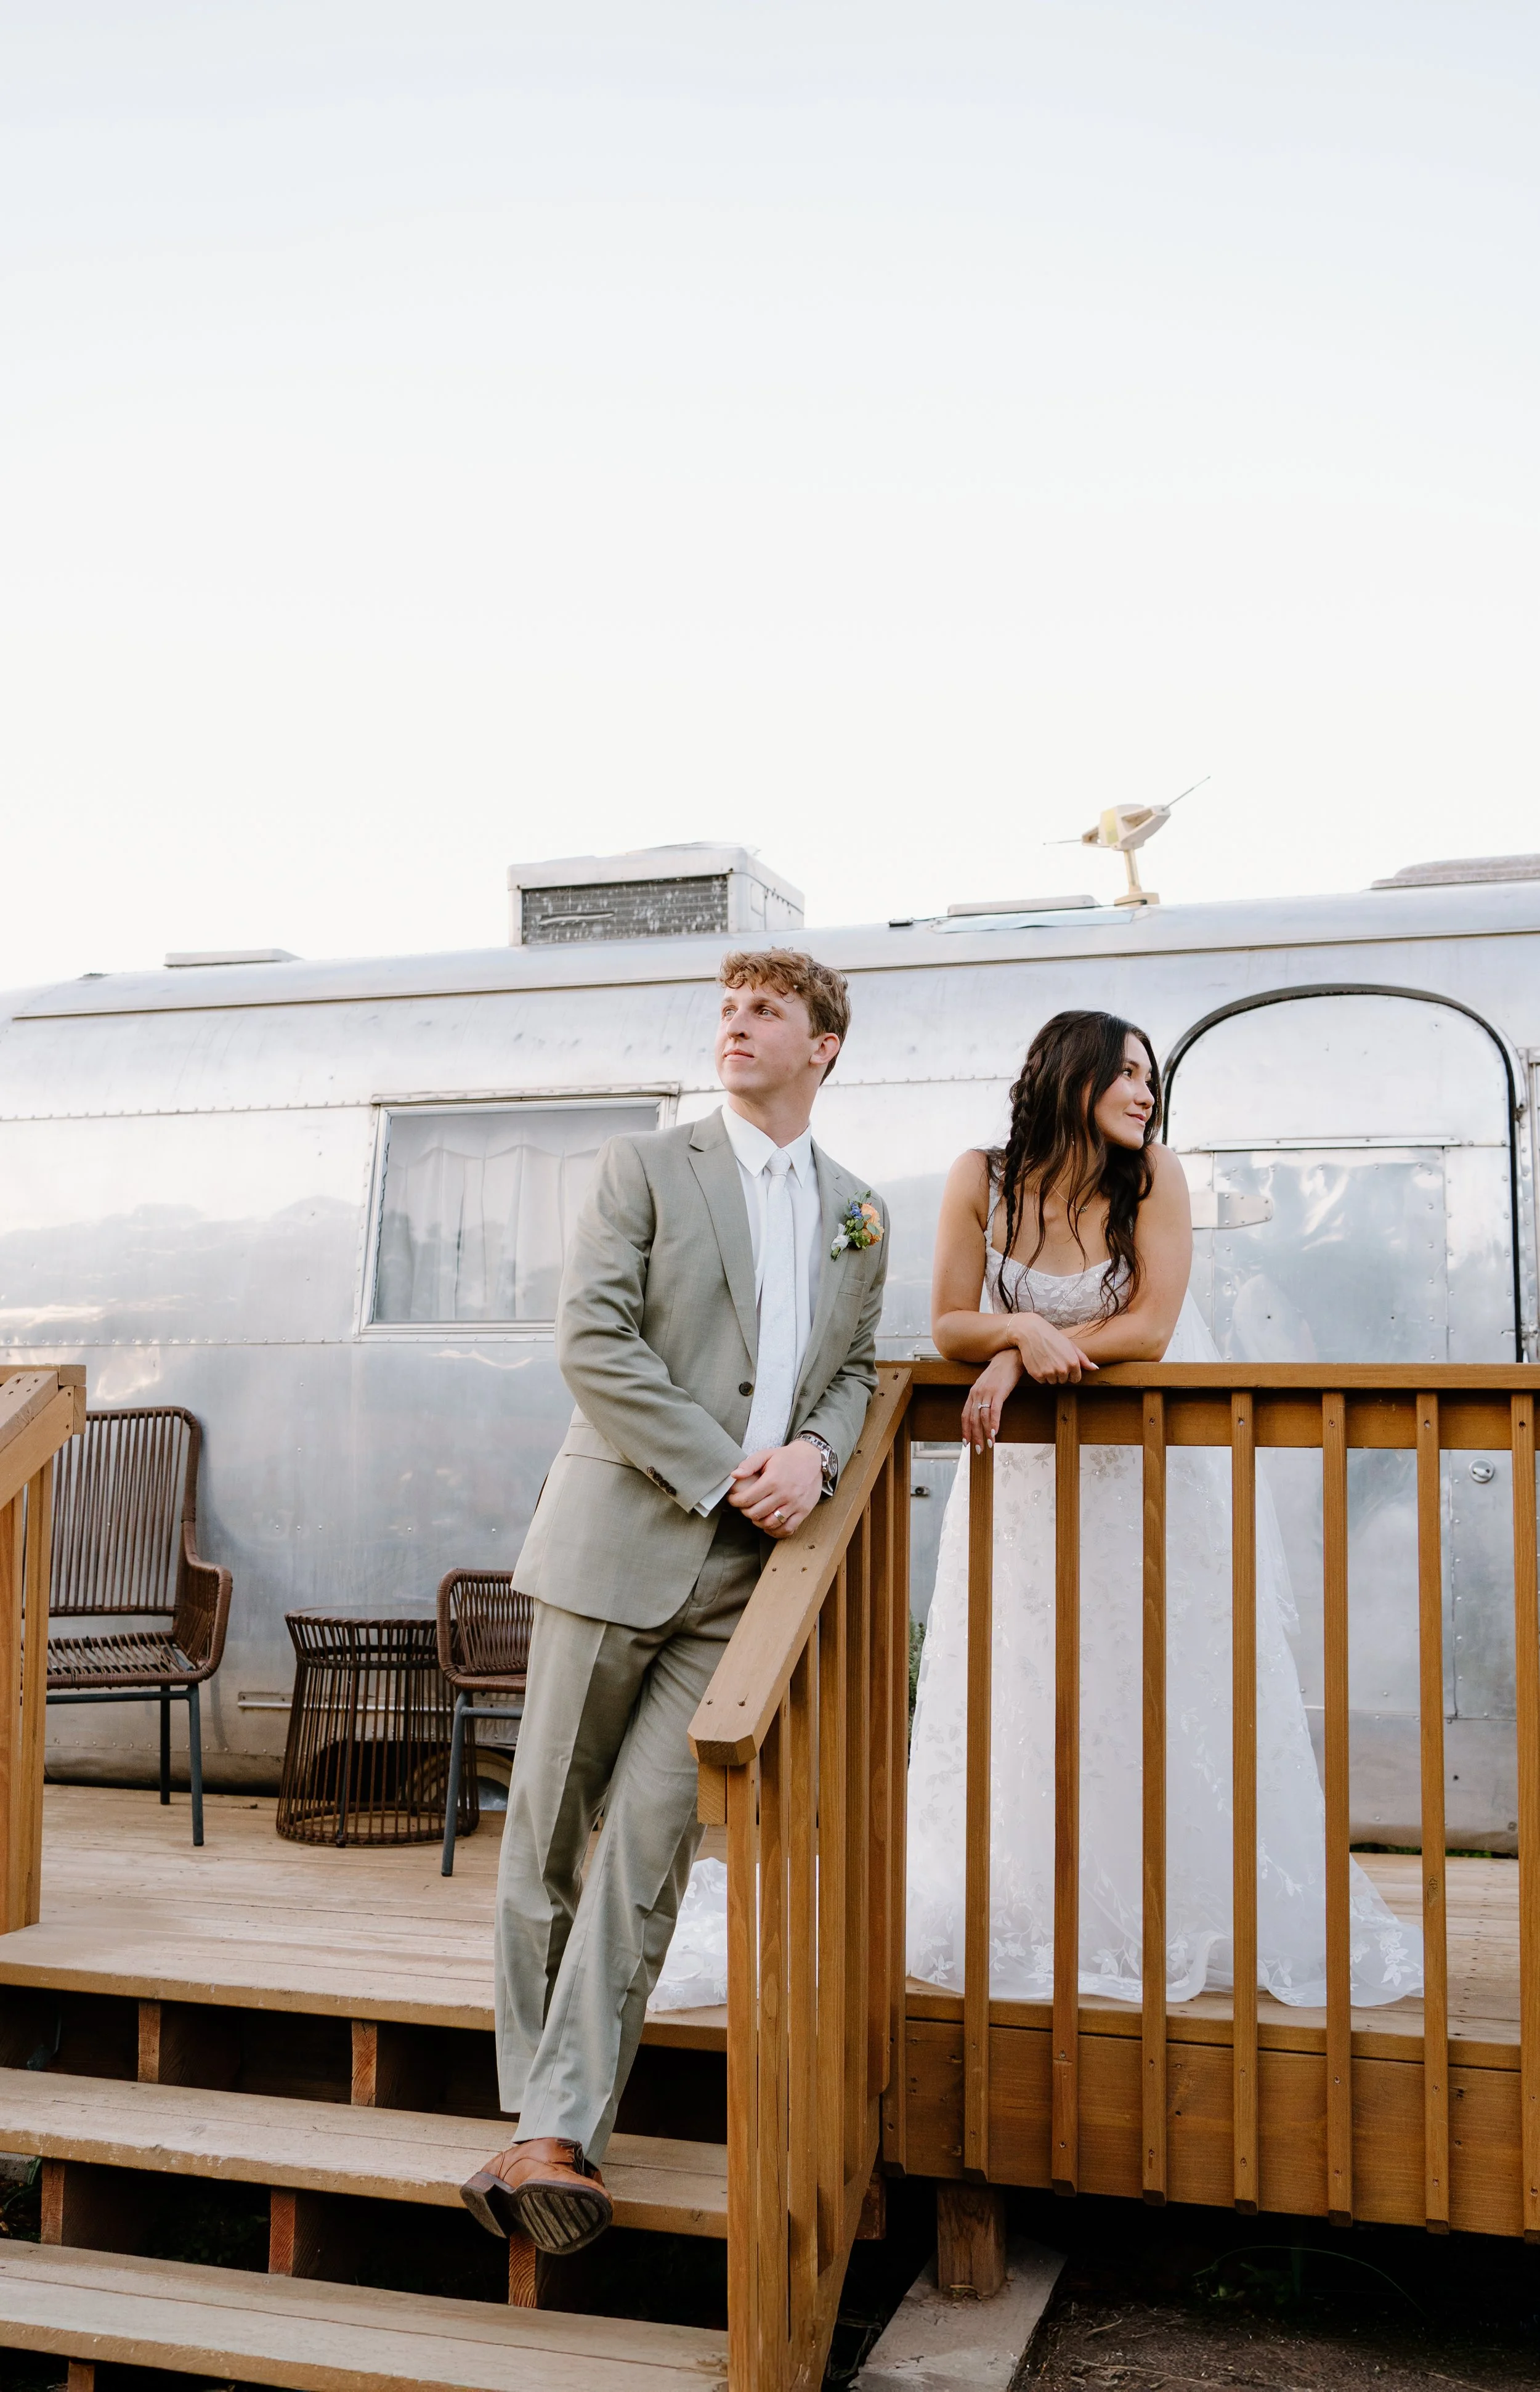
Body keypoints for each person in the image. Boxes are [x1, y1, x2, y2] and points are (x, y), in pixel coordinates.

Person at [461, 948, 888, 2258]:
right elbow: (592, 1343)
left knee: (645, 1853)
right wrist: (724, 1473)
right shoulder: (644, 1168)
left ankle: (556, 2136)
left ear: (823, 1045)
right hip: (615, 1545)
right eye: (727, 1009)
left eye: (765, 1011)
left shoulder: (857, 1209)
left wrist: (815, 1455)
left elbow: (855, 1371)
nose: (735, 1026)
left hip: (739, 1586)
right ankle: (531, 2108)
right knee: (544, 1833)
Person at [906, 1009, 1422, 2009]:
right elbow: (946, 1319)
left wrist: (1022, 1355)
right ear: (1071, 1070)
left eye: (1150, 1077)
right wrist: (1012, 1328)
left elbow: (1150, 1323)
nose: (1146, 1091)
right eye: (1128, 1072)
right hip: (1021, 1490)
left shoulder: (1155, 1177)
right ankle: (1042, 1905)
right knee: (1030, 1678)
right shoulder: (981, 1175)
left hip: (1148, 1480)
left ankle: (1167, 1907)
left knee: (1156, 1678)